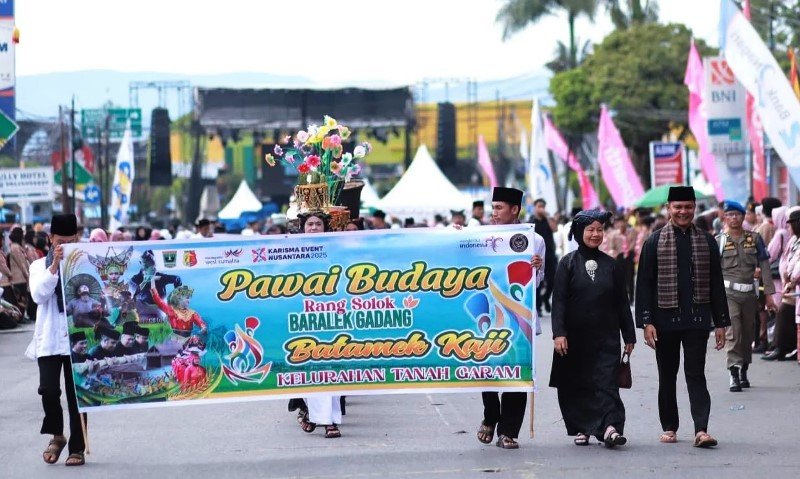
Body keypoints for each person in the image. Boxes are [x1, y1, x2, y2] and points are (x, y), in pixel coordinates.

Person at [635, 186, 730, 448]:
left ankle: (701, 429)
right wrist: (646, 321)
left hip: (697, 320)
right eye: (678, 207)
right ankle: (669, 427)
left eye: (688, 207)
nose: (683, 212)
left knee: (696, 374)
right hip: (664, 322)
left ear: (694, 208)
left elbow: (716, 283)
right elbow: (644, 283)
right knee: (667, 375)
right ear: (668, 209)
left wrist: (721, 322)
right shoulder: (653, 241)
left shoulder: (707, 240)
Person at [550, 209, 636, 447]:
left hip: (606, 336)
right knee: (578, 384)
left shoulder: (612, 265)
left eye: (599, 229)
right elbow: (559, 302)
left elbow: (622, 302)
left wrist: (629, 334)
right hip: (575, 337)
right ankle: (583, 427)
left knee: (607, 383)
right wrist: (559, 333)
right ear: (579, 233)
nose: (596, 234)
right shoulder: (566, 264)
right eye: (590, 230)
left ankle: (610, 428)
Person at [476, 187, 544, 450]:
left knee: (517, 372)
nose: (494, 213)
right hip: (488, 315)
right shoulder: (480, 237)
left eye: (499, 208)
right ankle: (491, 415)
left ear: (515, 210)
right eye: (493, 208)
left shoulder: (534, 241)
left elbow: (536, 285)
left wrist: (536, 268)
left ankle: (509, 430)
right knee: (488, 371)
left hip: (520, 318)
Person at [26, 213, 87, 466]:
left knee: (78, 396)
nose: (64, 245)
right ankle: (57, 435)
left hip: (78, 336)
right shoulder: (38, 266)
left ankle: (78, 448)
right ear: (51, 239)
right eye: (60, 240)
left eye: (70, 240)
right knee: (49, 391)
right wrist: (54, 268)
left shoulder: (83, 263)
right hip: (50, 337)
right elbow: (39, 295)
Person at [293, 211, 343, 439]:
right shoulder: (290, 252)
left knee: (331, 371)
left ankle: (329, 421)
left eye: (318, 224)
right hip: (302, 320)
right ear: (303, 228)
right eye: (310, 224)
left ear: (325, 228)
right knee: (308, 372)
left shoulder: (337, 250)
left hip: (331, 318)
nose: (313, 228)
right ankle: (315, 415)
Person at [717, 201, 775, 391]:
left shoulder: (754, 238)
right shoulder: (720, 240)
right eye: (730, 214)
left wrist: (769, 294)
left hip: (749, 293)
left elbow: (765, 266)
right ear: (725, 218)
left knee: (748, 334)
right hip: (728, 294)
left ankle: (744, 370)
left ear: (743, 217)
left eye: (737, 214)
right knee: (733, 333)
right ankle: (733, 372)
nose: (734, 218)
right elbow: (713, 271)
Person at [765, 208, 800, 361]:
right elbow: (788, 259)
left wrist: (791, 278)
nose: (788, 227)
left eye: (790, 224)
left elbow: (770, 253)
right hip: (787, 283)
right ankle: (783, 347)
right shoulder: (793, 239)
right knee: (788, 315)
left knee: (784, 313)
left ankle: (781, 347)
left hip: (791, 285)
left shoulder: (781, 234)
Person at [530, 198, 556, 316]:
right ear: (535, 207)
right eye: (539, 206)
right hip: (537, 257)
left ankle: (546, 298)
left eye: (543, 206)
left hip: (550, 255)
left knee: (552, 281)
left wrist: (548, 216)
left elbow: (554, 228)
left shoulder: (547, 220)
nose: (541, 208)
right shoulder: (531, 222)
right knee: (538, 283)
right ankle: (538, 307)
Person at [608, 216, 637, 303]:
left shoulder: (631, 232)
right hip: (619, 257)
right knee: (620, 278)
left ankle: (631, 298)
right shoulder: (614, 234)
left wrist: (628, 251)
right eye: (619, 223)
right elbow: (612, 247)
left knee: (630, 277)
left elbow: (633, 243)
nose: (621, 224)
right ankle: (622, 297)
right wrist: (615, 255)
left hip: (629, 256)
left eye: (622, 222)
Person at [8, 226, 31, 317]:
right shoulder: (15, 247)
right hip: (19, 277)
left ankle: (21, 316)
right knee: (21, 298)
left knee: (22, 298)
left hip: (20, 277)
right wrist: (27, 275)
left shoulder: (16, 246)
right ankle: (20, 316)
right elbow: (21, 263)